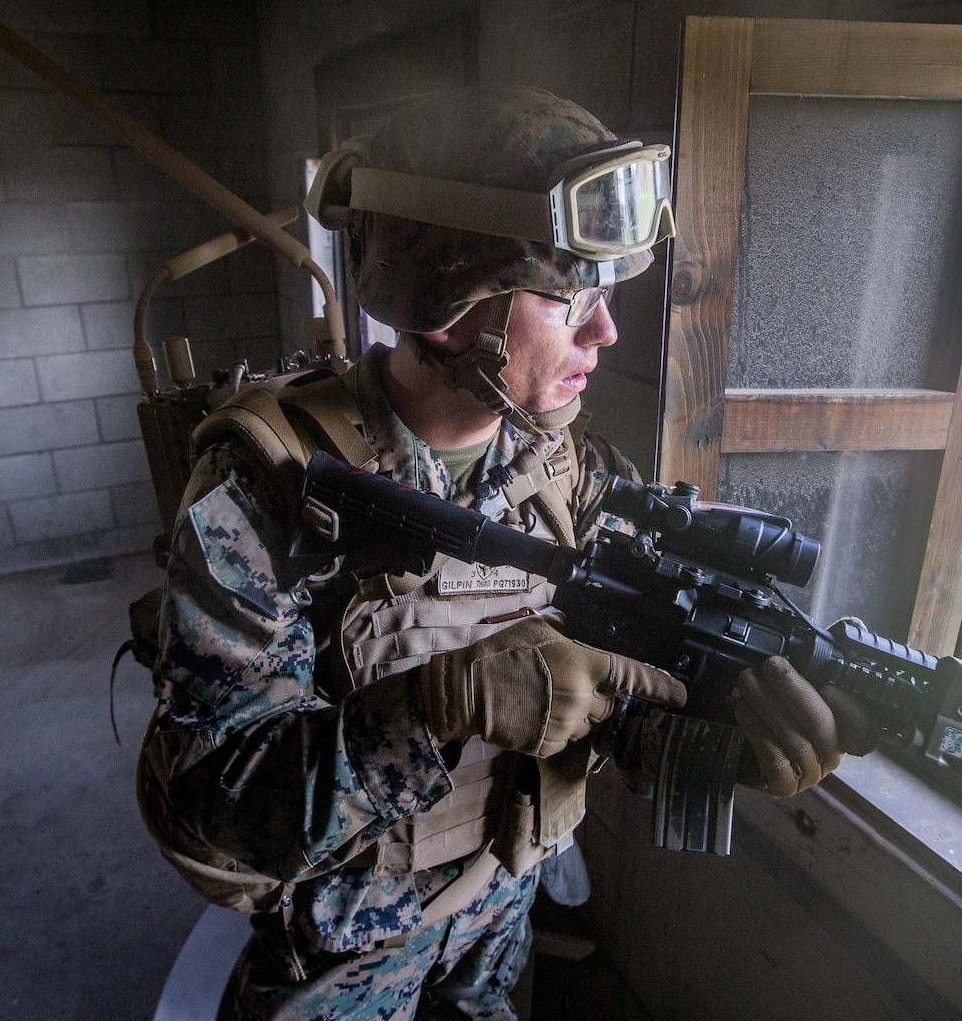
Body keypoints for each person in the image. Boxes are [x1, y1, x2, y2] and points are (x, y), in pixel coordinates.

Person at [136, 86, 872, 1021]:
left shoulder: (560, 465)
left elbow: (606, 691)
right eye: (572, 301)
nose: (606, 333)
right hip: (347, 944)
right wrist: (431, 708)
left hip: (501, 903)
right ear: (453, 316)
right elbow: (211, 804)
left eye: (606, 296)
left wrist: (719, 746)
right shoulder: (267, 489)